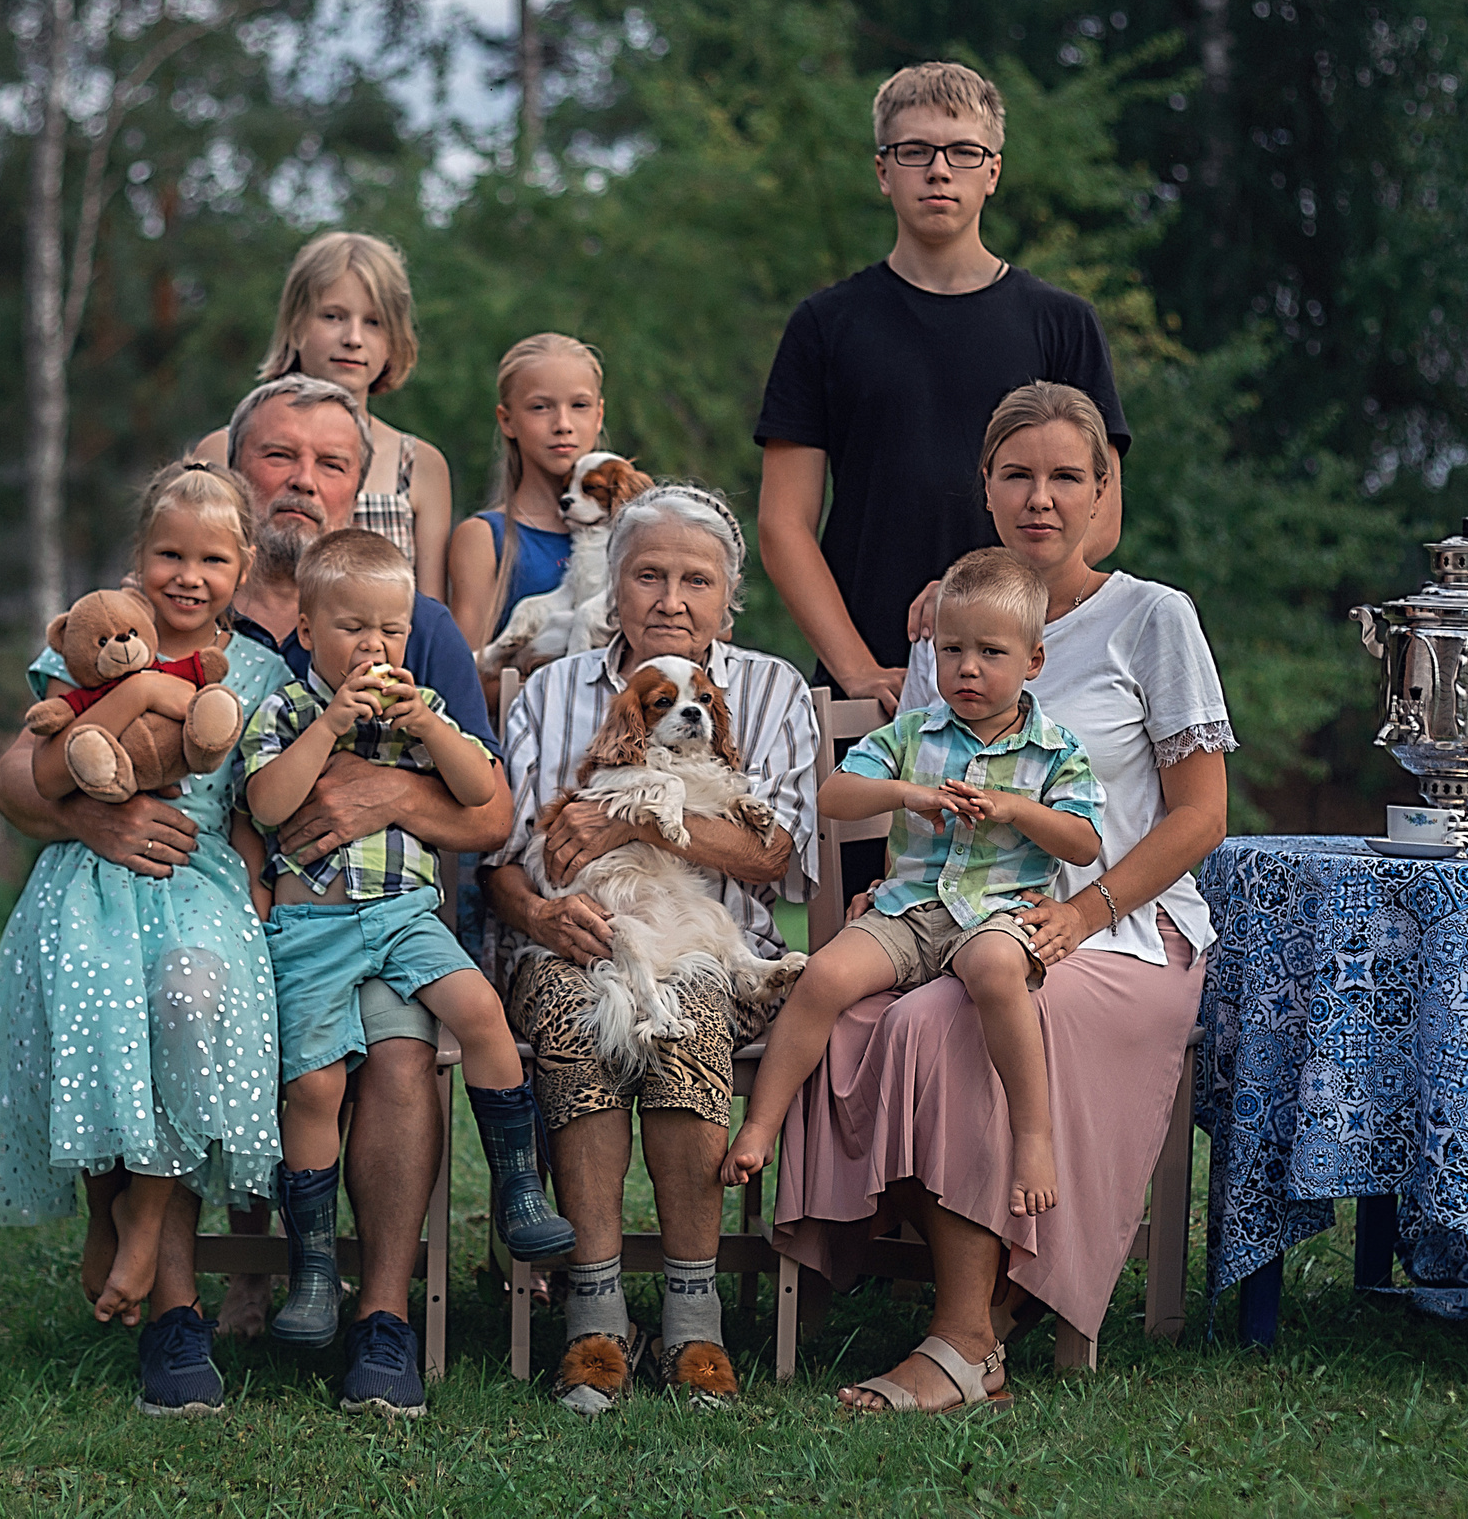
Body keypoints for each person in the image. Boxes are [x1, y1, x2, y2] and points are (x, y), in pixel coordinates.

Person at [771, 383, 1234, 1413]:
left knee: (946, 1020)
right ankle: (959, 1305)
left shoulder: (1152, 618)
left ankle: (967, 1338)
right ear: (983, 487)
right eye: (1017, 474)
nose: (1041, 497)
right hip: (966, 915)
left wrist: (1088, 910)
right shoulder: (954, 615)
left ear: (1103, 493)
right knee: (873, 999)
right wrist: (891, 892)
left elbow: (1200, 814)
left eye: (1067, 475)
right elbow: (926, 783)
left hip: (1120, 930)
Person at [0, 461, 286, 1419]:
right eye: (168, 553)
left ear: (243, 566)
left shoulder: (254, 672)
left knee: (186, 998)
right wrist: (90, 815)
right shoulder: (87, 650)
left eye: (212, 558)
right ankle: (128, 1235)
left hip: (200, 881)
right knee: (96, 992)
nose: (187, 575)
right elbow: (33, 770)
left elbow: (260, 798)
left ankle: (147, 1208)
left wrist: (259, 874)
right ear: (138, 558)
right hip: (89, 888)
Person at [479, 486, 820, 1415]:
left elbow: (774, 851)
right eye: (650, 575)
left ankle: (692, 1317)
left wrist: (645, 820)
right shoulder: (552, 690)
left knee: (690, 1021)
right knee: (572, 1015)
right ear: (614, 591)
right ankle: (593, 1317)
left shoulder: (771, 689)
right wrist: (544, 920)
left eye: (695, 580)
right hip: (575, 930)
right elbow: (500, 862)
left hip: (714, 942)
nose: (672, 598)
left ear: (728, 598)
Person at [203, 375, 509, 1357]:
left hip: (381, 915)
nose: (302, 479)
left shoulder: (409, 620)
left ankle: (381, 1312)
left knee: (401, 1048)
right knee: (285, 1047)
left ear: (357, 485)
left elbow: (491, 806)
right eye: (276, 455)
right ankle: (240, 1278)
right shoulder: (190, 594)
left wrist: (387, 793)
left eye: (331, 461)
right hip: (237, 918)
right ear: (231, 468)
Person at [239, 529, 570, 1408]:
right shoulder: (279, 709)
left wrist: (427, 723)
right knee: (310, 1090)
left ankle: (518, 1193)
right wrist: (330, 726)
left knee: (483, 1015)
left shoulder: (417, 704)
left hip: (401, 920)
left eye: (390, 630)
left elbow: (480, 793)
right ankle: (313, 1271)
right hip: (311, 932)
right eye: (353, 629)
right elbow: (268, 805)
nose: (375, 649)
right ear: (307, 631)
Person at [724, 548, 1103, 1220]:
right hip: (906, 910)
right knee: (824, 977)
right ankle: (760, 1124)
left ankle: (1034, 1136)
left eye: (990, 652)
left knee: (993, 969)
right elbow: (834, 796)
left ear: (1032, 662)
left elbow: (1084, 841)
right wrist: (908, 793)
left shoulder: (1055, 752)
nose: (967, 668)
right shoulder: (913, 733)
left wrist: (1018, 810)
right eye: (951, 650)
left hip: (997, 913)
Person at [754, 60, 1131, 721]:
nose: (938, 169)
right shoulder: (825, 325)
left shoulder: (1060, 324)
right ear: (882, 171)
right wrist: (859, 670)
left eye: (963, 151)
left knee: (1031, 827)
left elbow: (1099, 517)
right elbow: (784, 525)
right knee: (864, 828)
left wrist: (973, 594)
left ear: (993, 172)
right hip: (874, 683)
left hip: (1032, 682)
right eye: (915, 151)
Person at [194, 232, 453, 595]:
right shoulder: (222, 450)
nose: (353, 338)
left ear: (396, 339)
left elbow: (429, 611)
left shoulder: (419, 465)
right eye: (334, 316)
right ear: (296, 324)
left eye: (375, 322)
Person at [445, 333, 606, 684]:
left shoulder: (638, 528)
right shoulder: (484, 536)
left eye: (579, 405)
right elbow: (459, 683)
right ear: (507, 420)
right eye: (540, 407)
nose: (562, 424)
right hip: (520, 729)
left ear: (599, 415)